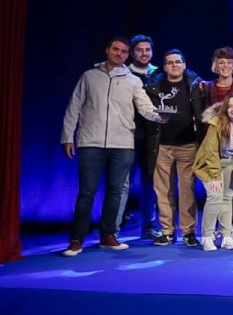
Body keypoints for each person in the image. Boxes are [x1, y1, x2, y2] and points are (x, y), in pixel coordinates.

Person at [60, 37, 167, 256]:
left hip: (122, 144)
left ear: (128, 55)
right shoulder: (89, 76)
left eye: (124, 51)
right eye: (116, 50)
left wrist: (158, 116)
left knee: (116, 192)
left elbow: (144, 106)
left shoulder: (133, 81)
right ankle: (76, 238)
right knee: (86, 193)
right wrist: (67, 137)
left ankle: (108, 235)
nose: (119, 54)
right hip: (91, 142)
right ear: (108, 50)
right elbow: (74, 106)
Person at [149, 49, 206, 247]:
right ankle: (167, 231)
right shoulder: (153, 85)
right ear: (164, 67)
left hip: (188, 145)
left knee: (187, 190)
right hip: (161, 145)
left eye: (178, 62)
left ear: (184, 64)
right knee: (163, 191)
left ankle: (188, 232)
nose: (174, 65)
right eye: (170, 63)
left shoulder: (195, 85)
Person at [193, 93, 233, 251]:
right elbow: (210, 151)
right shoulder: (216, 124)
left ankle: (226, 236)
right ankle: (206, 236)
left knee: (228, 198)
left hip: (231, 164)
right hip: (211, 165)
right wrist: (215, 176)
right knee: (215, 197)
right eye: (230, 106)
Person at [201, 47, 233, 242]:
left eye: (229, 63)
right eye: (221, 63)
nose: (225, 66)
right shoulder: (206, 87)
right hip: (214, 143)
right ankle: (210, 230)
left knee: (232, 189)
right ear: (215, 66)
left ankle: (229, 226)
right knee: (215, 189)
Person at [117, 34, 159, 240]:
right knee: (122, 181)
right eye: (140, 50)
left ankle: (149, 224)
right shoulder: (122, 73)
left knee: (150, 182)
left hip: (151, 136)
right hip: (127, 134)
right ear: (132, 53)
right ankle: (115, 223)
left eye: (147, 50)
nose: (144, 53)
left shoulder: (158, 74)